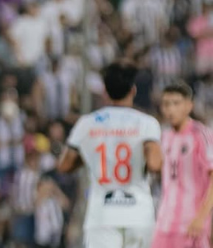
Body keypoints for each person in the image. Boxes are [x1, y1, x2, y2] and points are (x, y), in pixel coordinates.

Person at [57, 61, 163, 248]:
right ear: (133, 90)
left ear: (105, 91)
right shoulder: (147, 123)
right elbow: (155, 164)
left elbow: (64, 165)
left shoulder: (87, 123)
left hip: (101, 214)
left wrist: (90, 157)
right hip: (138, 213)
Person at [152, 83, 213, 248]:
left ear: (189, 106)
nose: (170, 109)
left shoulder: (201, 135)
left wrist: (201, 217)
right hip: (164, 223)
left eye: (176, 103)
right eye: (166, 104)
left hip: (191, 224)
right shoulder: (164, 137)